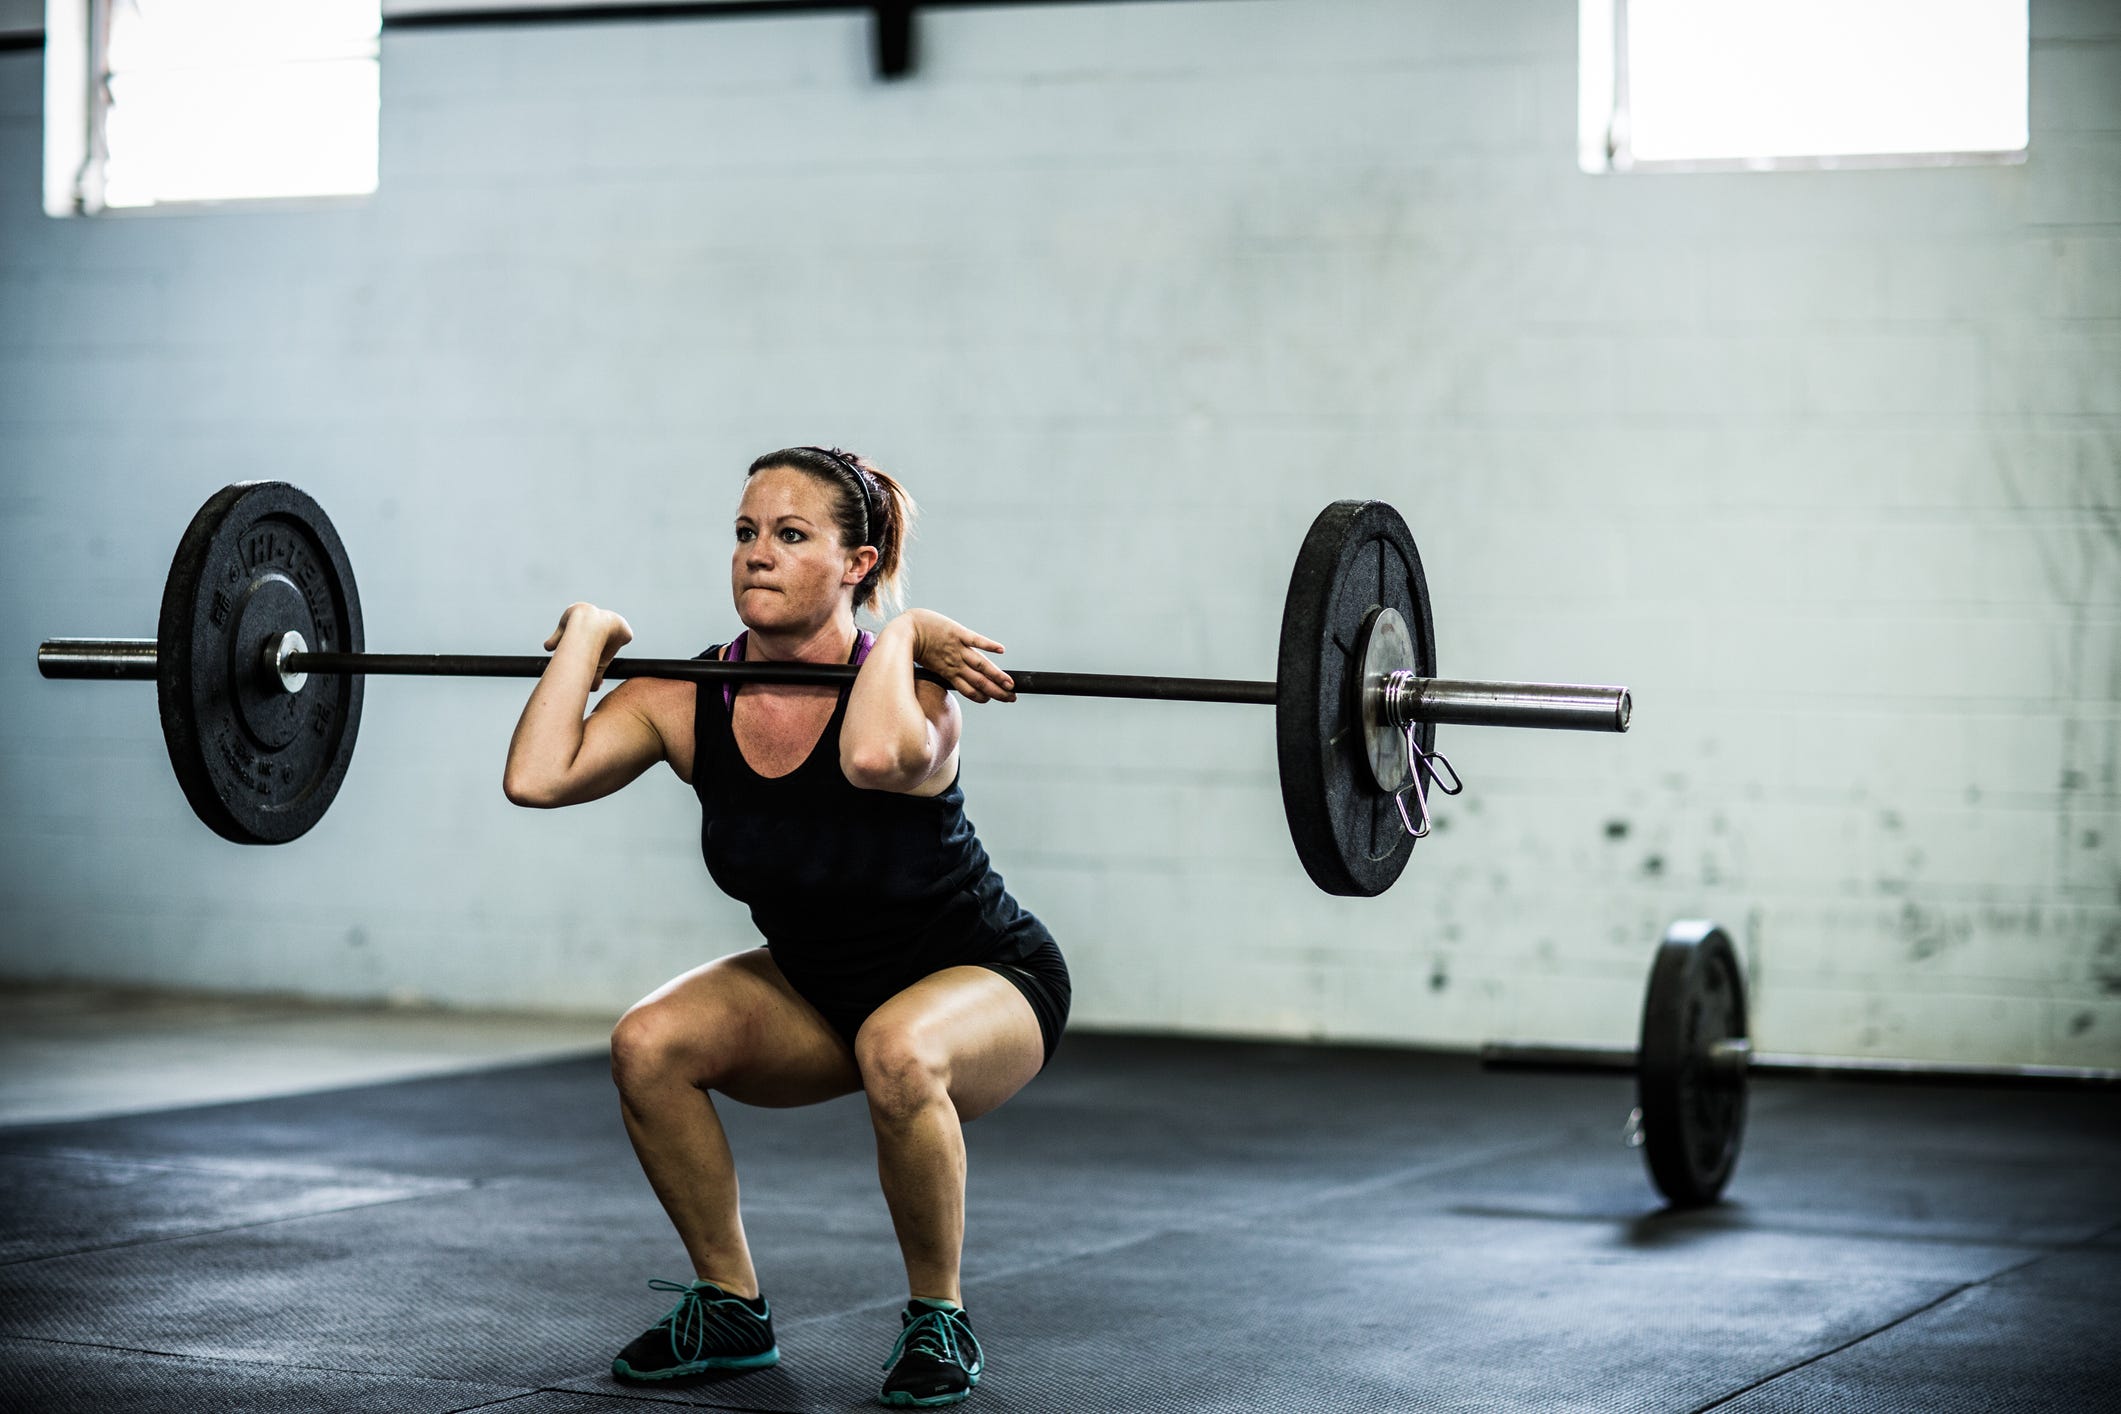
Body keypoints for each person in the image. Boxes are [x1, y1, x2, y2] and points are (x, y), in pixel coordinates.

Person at [502, 445, 1068, 1408]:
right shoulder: (686, 699)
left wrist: (904, 635)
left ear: (858, 563)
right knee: (648, 1043)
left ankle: (940, 1317)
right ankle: (730, 1306)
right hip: (818, 986)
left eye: (791, 535)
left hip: (982, 976)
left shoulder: (917, 688)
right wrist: (586, 641)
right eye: (745, 533)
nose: (756, 555)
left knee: (898, 1047)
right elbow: (537, 778)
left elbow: (875, 757)